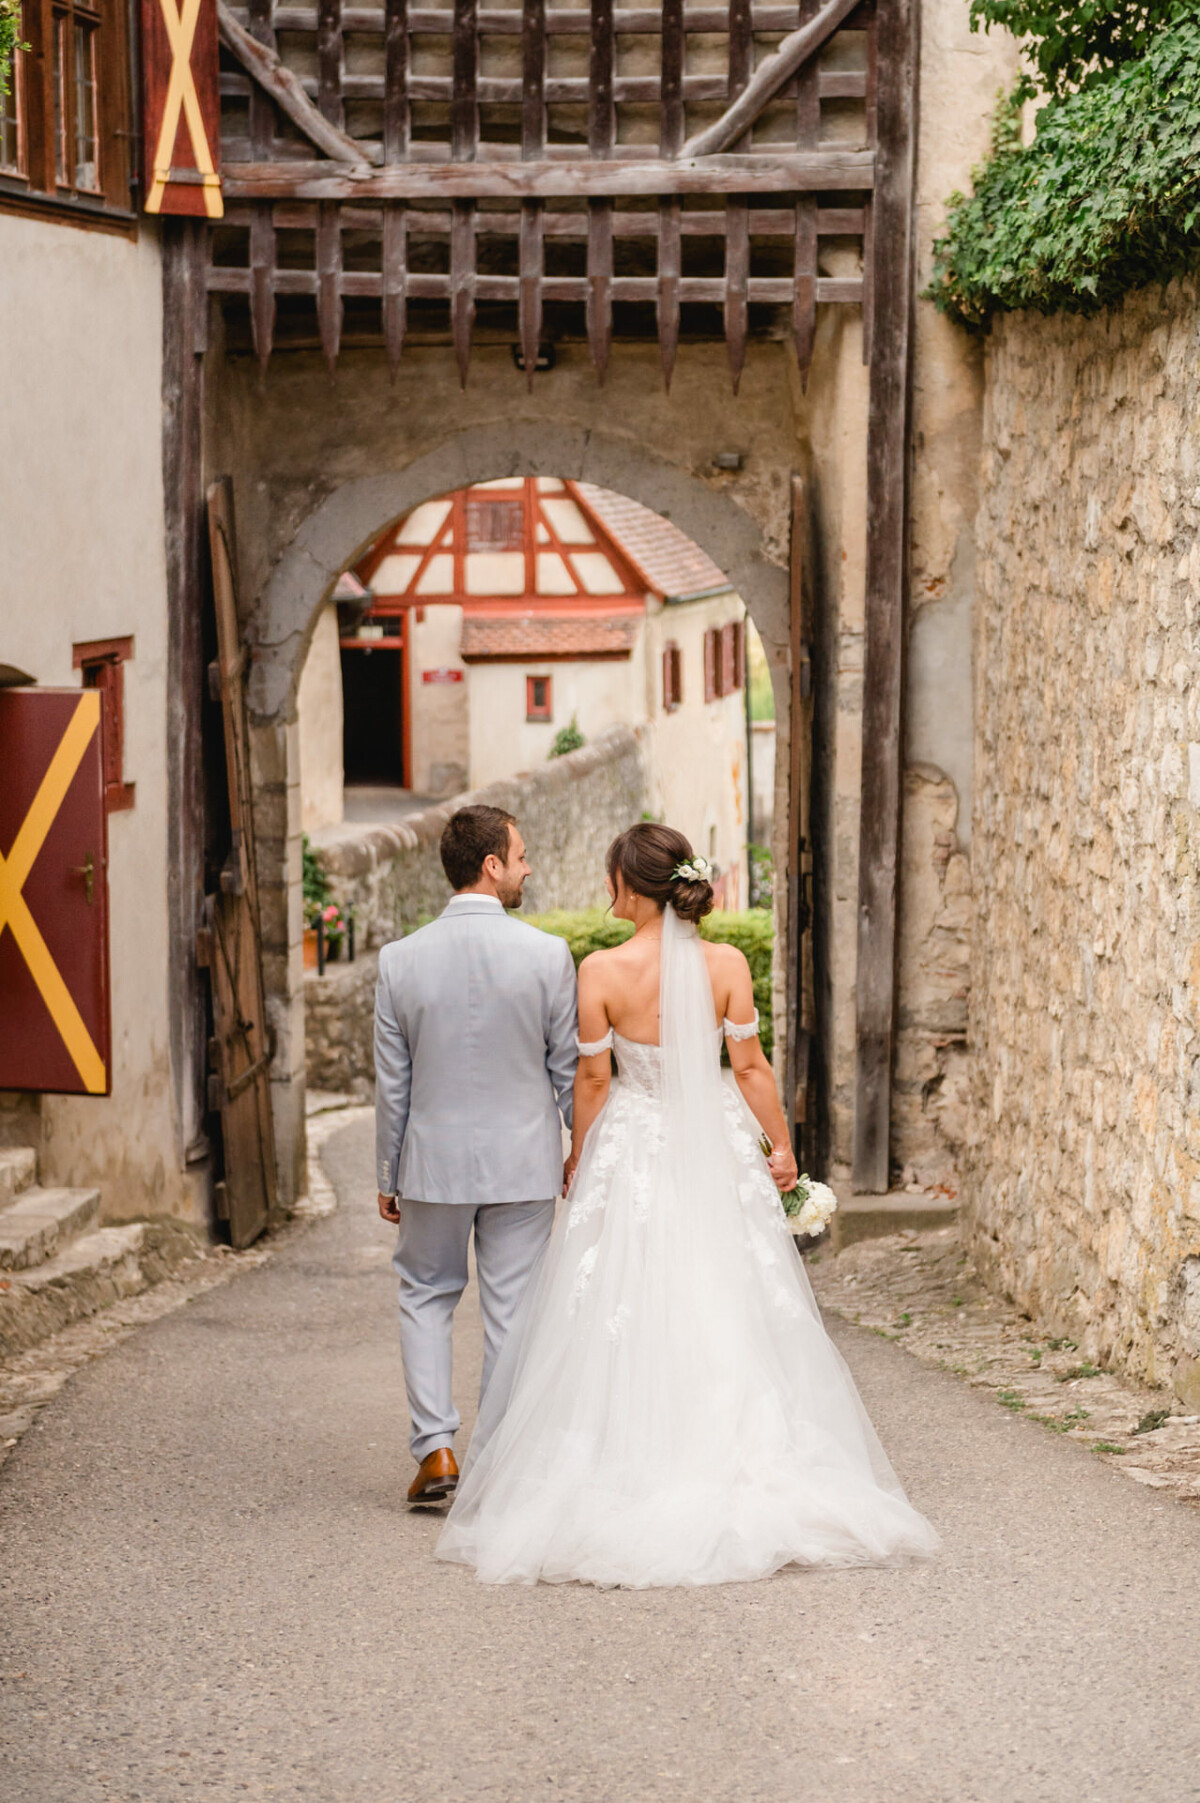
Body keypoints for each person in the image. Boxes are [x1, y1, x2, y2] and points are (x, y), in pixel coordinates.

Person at [436, 822, 940, 1586]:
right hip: (713, 1142)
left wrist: (579, 1152)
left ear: (632, 888)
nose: (608, 893)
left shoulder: (599, 970)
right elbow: (748, 1066)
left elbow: (596, 1081)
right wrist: (782, 1146)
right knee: (723, 1290)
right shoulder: (727, 963)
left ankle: (626, 1459)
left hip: (633, 1142)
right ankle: (737, 1451)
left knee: (625, 1296)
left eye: (613, 879)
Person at [374, 804, 578, 1505]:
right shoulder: (548, 955)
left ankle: (436, 1452)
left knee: (426, 1294)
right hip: (524, 1162)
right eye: (519, 855)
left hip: (431, 1163)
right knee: (514, 1309)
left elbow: (392, 1082)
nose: (527, 867)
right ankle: (495, 1462)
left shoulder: (398, 960)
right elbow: (566, 1070)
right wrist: (582, 1147)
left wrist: (386, 1171)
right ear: (491, 865)